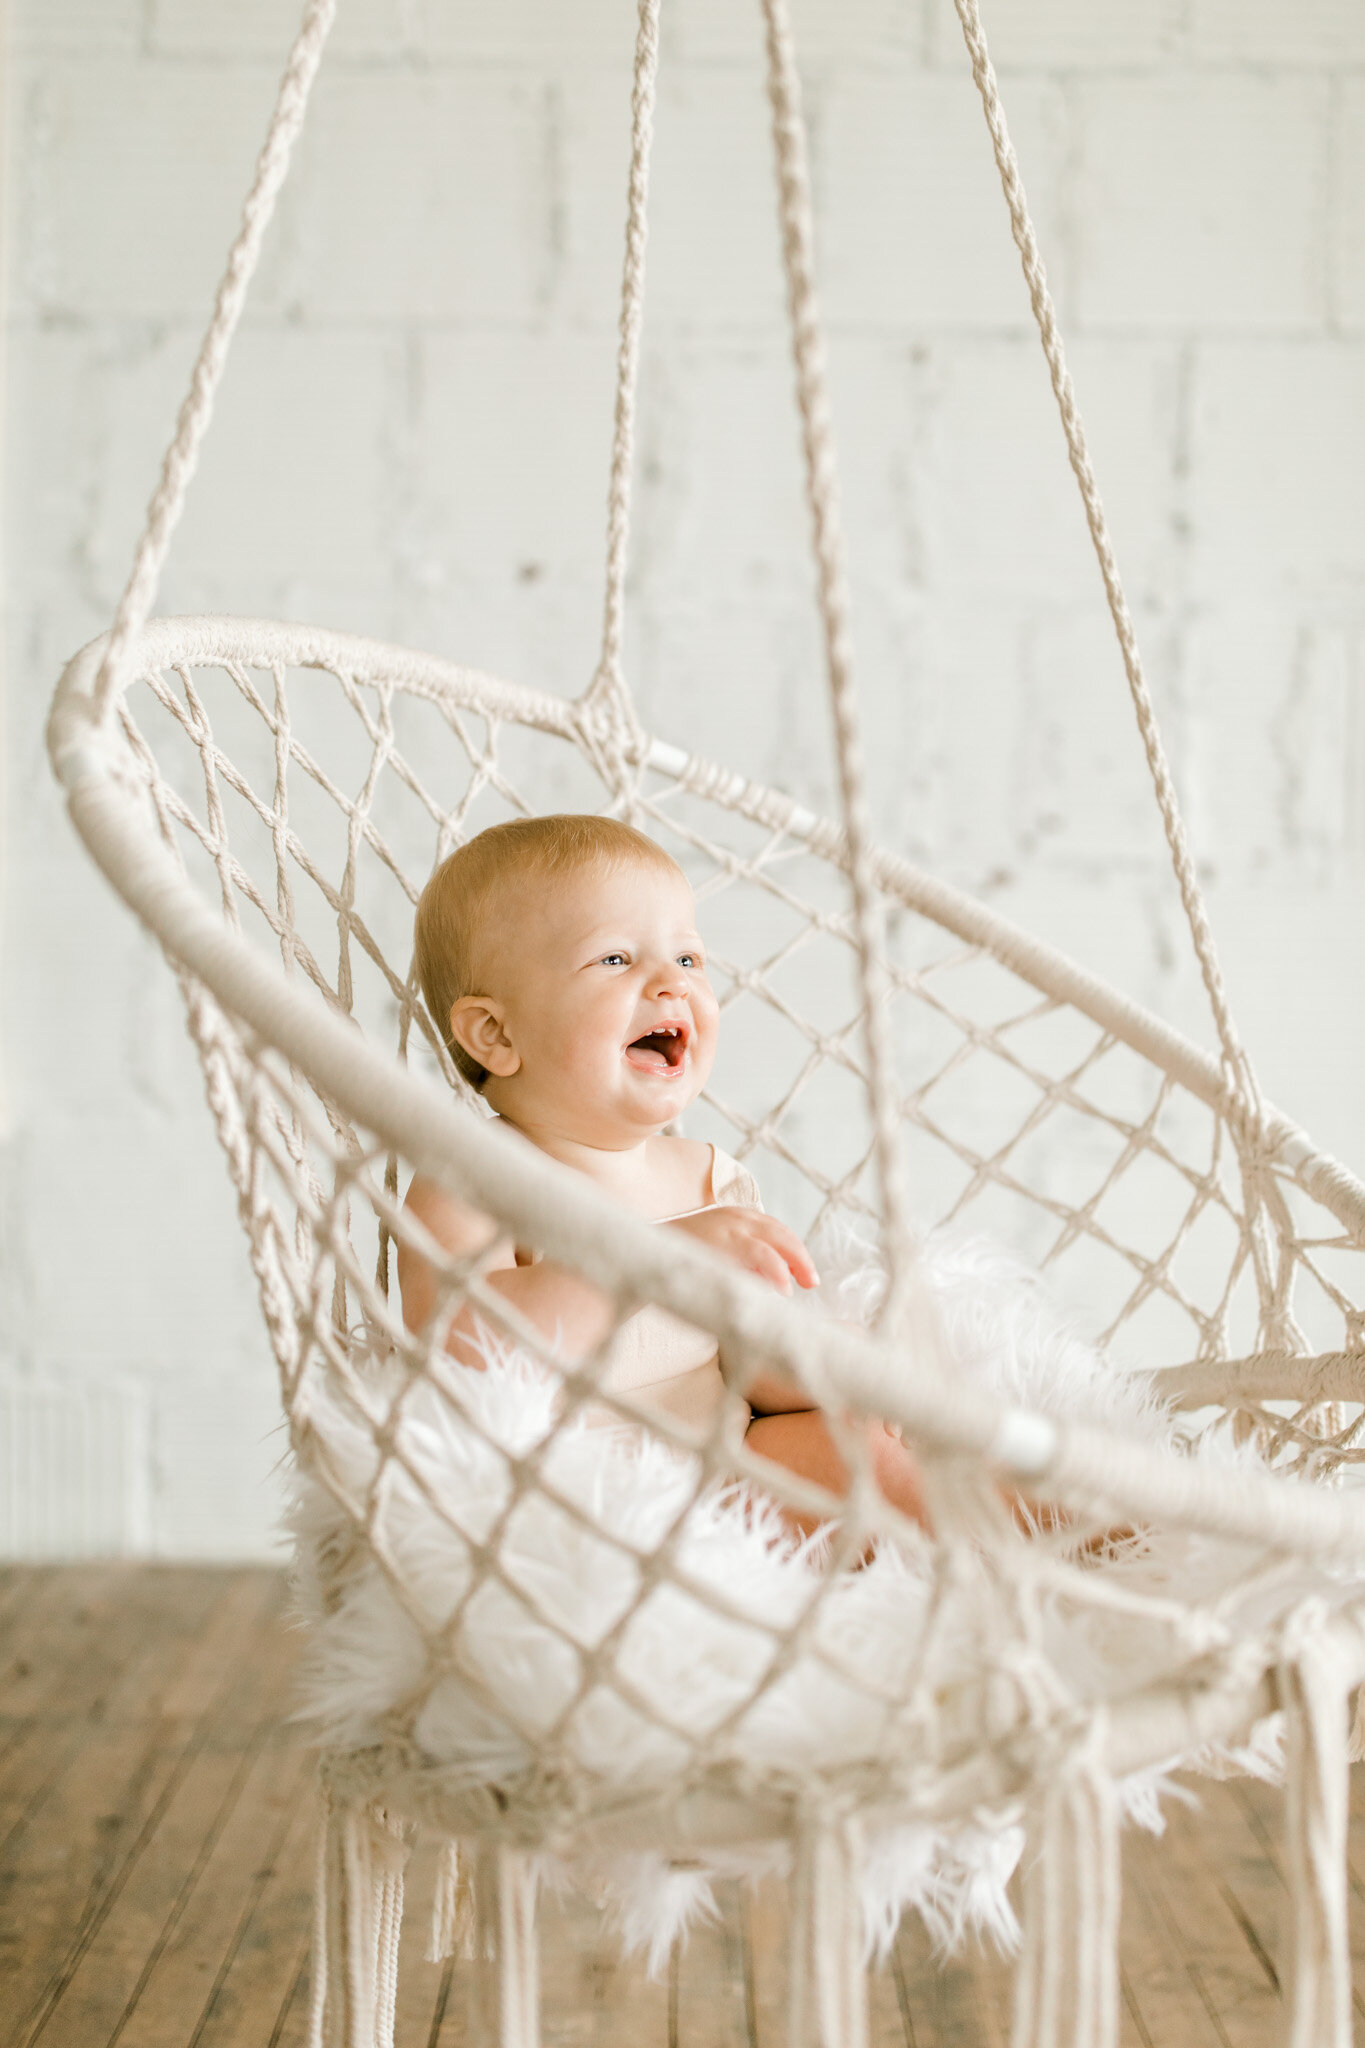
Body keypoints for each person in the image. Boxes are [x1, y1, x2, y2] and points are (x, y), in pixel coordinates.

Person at [399, 813, 970, 1538]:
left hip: (726, 1472)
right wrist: (661, 1256)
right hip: (580, 1514)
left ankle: (1061, 1534)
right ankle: (1048, 1531)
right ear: (496, 1034)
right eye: (613, 960)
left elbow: (742, 1362)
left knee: (870, 1455)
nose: (671, 984)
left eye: (689, 960)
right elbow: (470, 1349)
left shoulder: (708, 1181)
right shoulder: (471, 1180)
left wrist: (831, 1377)